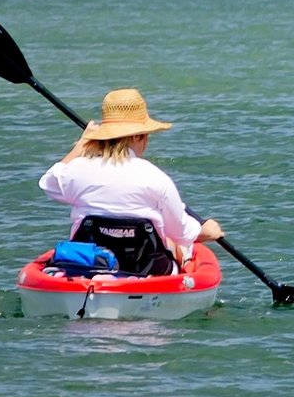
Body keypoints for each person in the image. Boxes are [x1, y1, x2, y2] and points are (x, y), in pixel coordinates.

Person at [39, 88, 222, 268]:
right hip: (146, 269)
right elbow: (181, 232)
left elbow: (48, 183)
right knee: (179, 246)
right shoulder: (155, 177)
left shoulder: (77, 170)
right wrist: (204, 231)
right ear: (136, 135)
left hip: (90, 266)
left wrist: (80, 146)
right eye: (146, 135)